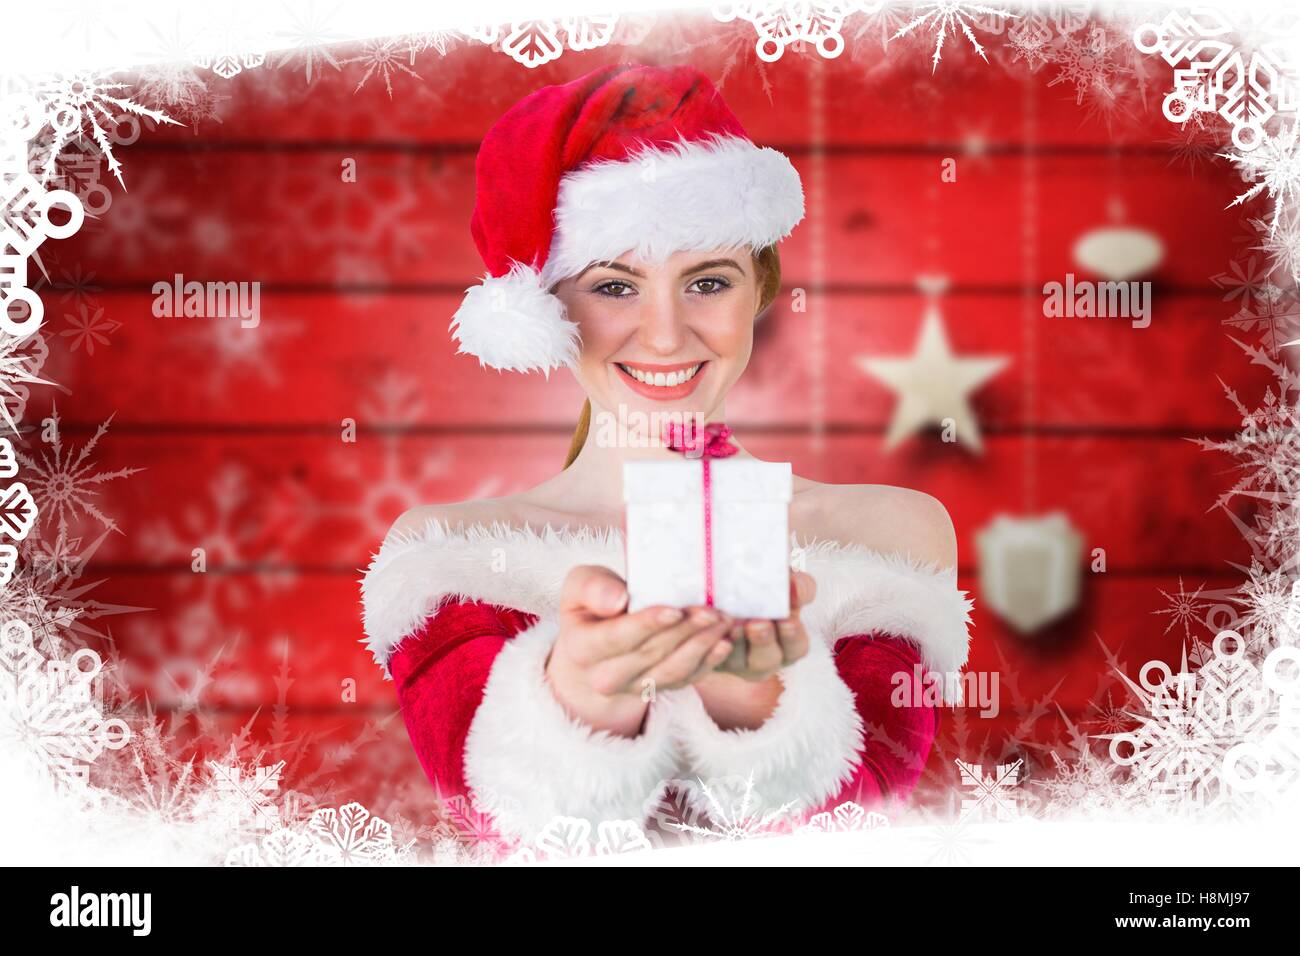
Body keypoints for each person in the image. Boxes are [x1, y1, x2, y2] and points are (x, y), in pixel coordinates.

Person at [360, 64, 973, 846]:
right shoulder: (449, 556)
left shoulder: (889, 532)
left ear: (759, 288)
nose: (663, 336)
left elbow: (868, 812)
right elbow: (499, 825)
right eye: (614, 288)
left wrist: (751, 698)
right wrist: (583, 695)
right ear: (549, 309)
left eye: (706, 281)